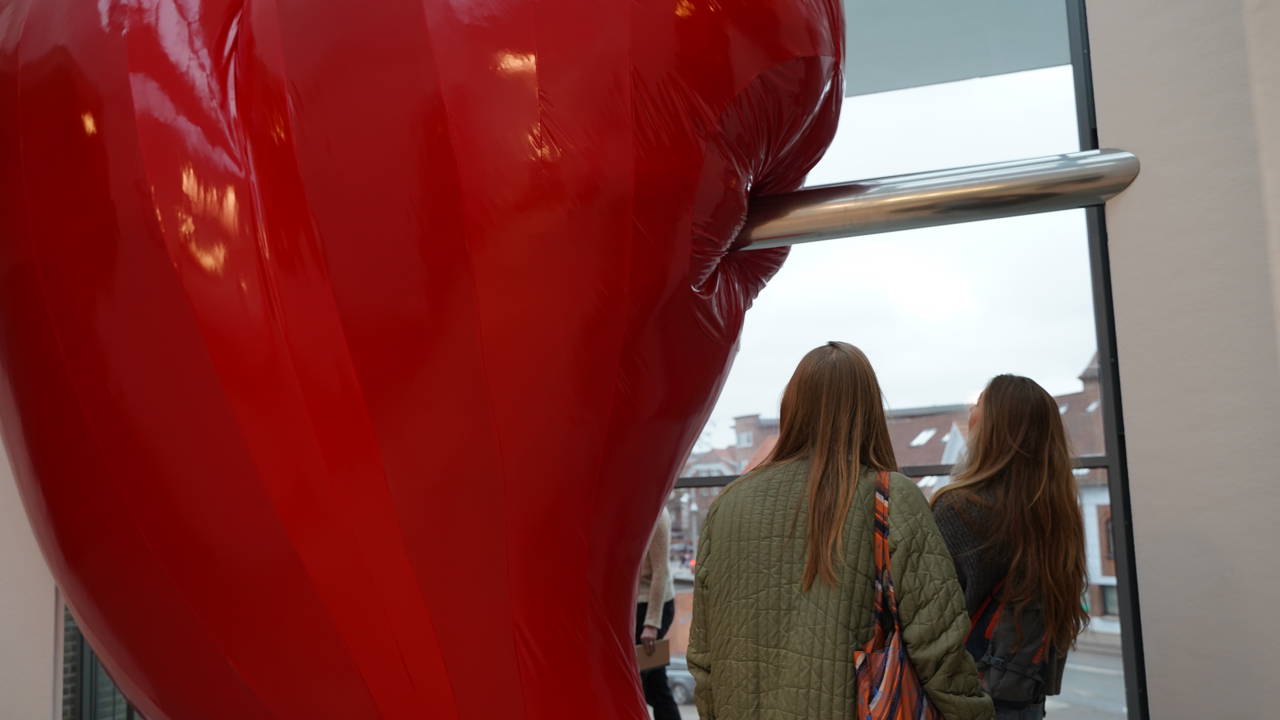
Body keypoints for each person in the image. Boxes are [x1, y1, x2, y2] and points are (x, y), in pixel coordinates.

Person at [688, 342, 993, 720]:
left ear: (792, 408)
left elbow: (703, 658)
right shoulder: (891, 497)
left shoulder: (727, 505)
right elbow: (940, 648)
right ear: (869, 410)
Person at [931, 375, 1090, 719]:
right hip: (1025, 692)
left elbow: (931, 615)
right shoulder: (1058, 513)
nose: (970, 412)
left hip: (965, 696)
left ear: (993, 429)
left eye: (978, 405)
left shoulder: (959, 507)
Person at [636, 506, 680, 719]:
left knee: (650, 683)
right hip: (638, 607)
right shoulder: (633, 511)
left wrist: (652, 624)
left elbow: (660, 572)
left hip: (654, 607)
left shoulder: (658, 515)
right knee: (652, 685)